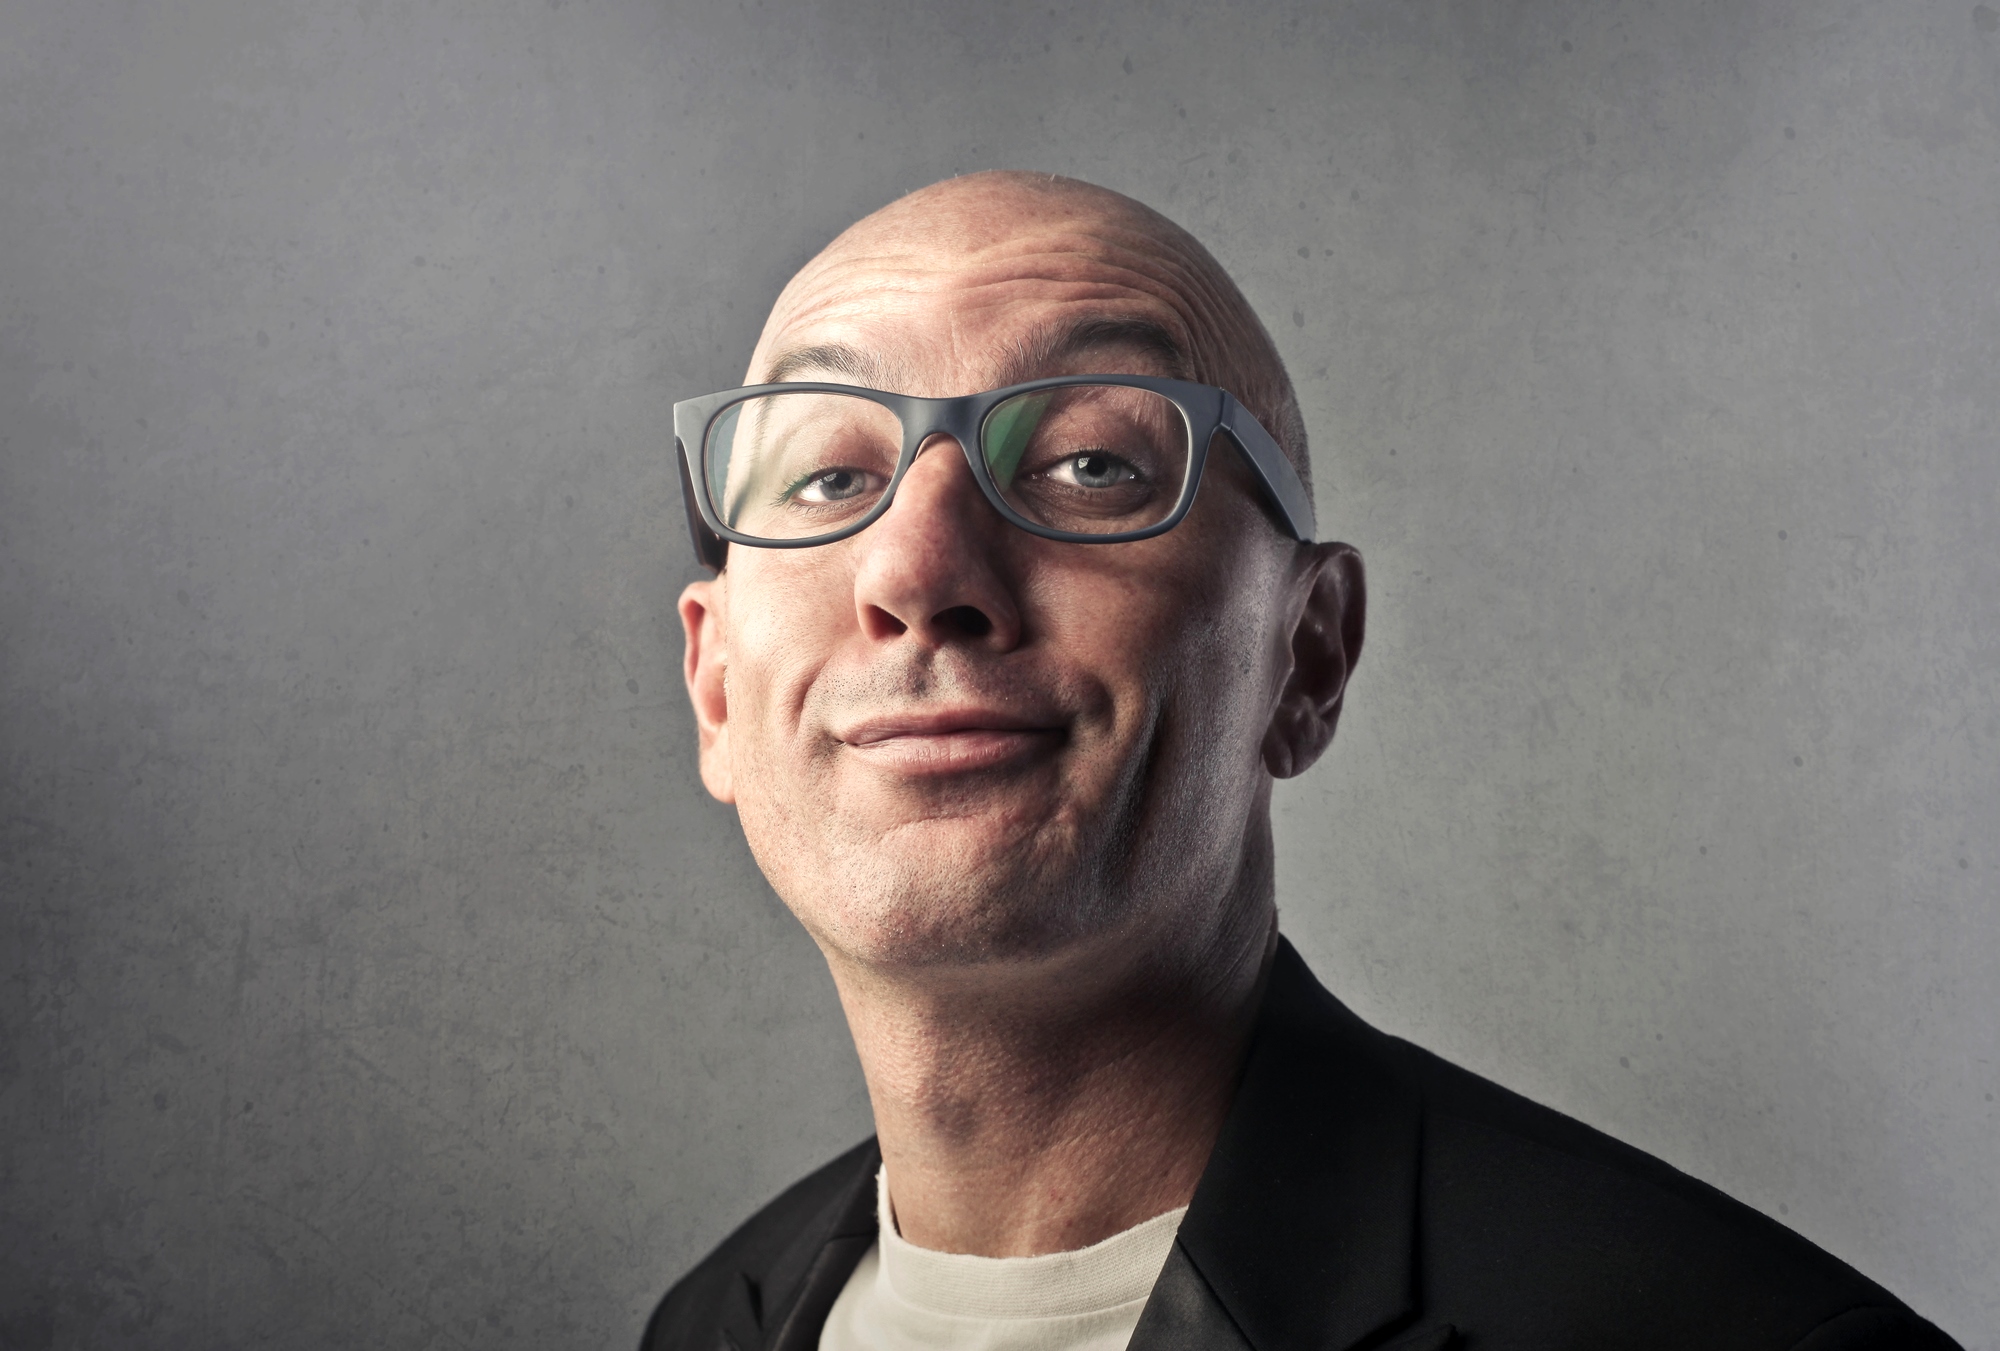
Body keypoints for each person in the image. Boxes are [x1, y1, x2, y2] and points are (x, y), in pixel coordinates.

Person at [640, 172, 1957, 1351]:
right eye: (823, 480)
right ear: (715, 688)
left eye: (1092, 462)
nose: (920, 571)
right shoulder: (711, 1322)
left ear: (1309, 656)